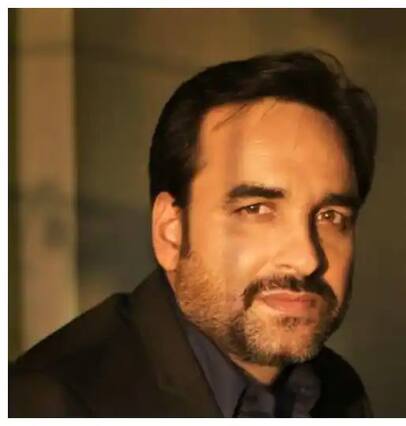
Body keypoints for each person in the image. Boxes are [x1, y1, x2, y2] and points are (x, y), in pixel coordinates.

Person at [9, 50, 378, 417]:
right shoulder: (49, 404)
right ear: (171, 232)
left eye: (331, 216)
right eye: (255, 210)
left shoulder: (336, 389)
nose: (306, 258)